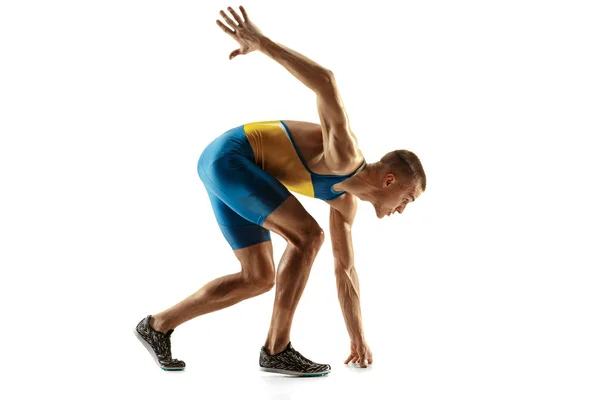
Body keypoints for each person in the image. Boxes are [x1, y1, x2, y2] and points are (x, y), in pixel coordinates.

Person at [134, 5, 426, 376]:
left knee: (258, 277)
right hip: (231, 158)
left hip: (233, 174)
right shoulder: (345, 154)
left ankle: (157, 326)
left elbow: (346, 271)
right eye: (407, 199)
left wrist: (358, 338)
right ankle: (277, 350)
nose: (402, 209)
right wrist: (262, 42)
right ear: (390, 181)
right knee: (307, 235)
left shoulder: (344, 204)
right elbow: (326, 81)